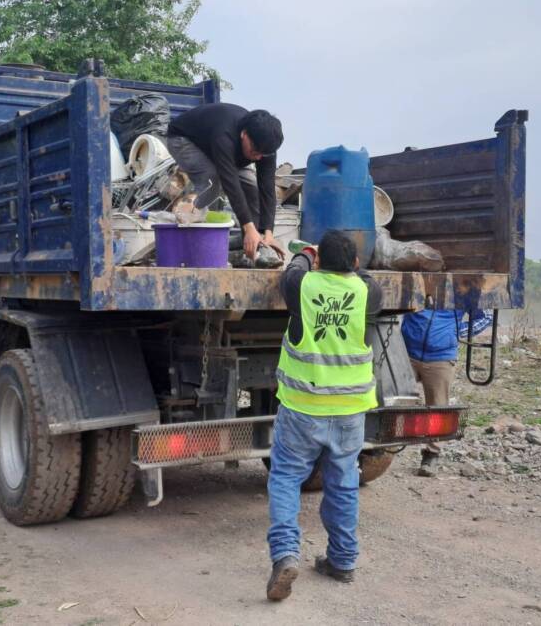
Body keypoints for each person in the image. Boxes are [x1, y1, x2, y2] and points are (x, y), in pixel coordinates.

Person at [265, 230, 382, 601]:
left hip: (302, 408)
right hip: (349, 411)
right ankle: (343, 561)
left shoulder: (303, 286)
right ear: (356, 264)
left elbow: (291, 270)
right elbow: (366, 279)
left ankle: (285, 555)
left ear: (317, 262)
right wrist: (349, 267)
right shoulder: (367, 293)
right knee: (344, 482)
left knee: (285, 478)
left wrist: (305, 253)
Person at [166, 103, 284, 266]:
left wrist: (268, 232)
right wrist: (248, 227)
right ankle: (186, 239)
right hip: (183, 140)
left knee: (252, 187)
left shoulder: (265, 145)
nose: (257, 158)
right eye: (254, 151)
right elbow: (231, 184)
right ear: (244, 134)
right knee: (212, 182)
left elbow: (267, 188)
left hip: (216, 149)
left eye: (262, 155)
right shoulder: (225, 133)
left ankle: (253, 248)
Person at [401, 306, 493, 477]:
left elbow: (486, 316)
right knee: (393, 400)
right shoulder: (417, 282)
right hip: (406, 352)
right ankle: (381, 450)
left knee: (437, 408)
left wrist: (456, 331)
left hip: (441, 356)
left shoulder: (461, 288)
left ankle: (431, 454)